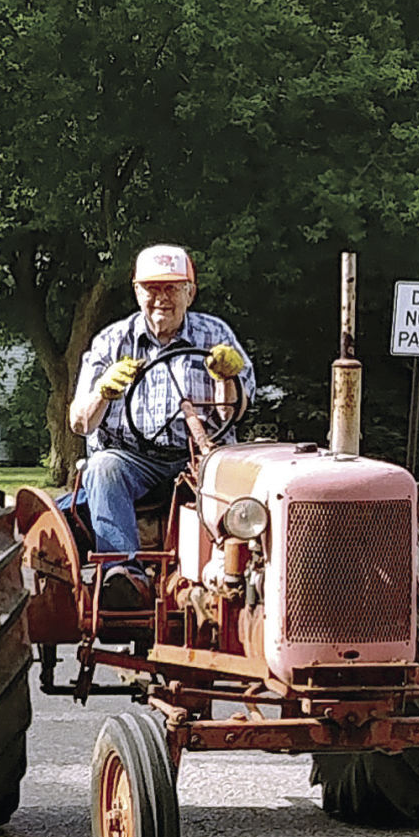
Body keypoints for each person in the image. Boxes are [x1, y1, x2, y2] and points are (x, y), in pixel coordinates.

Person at [68, 244, 257, 609]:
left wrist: (226, 378)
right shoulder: (112, 341)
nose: (161, 299)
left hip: (201, 456)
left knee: (250, 479)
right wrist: (103, 392)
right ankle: (124, 575)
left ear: (191, 291)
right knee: (103, 466)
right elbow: (79, 422)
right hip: (132, 459)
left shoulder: (215, 334)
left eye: (172, 288)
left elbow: (236, 410)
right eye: (152, 289)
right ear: (136, 290)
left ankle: (238, 576)